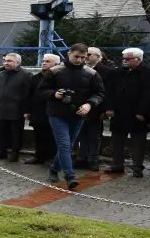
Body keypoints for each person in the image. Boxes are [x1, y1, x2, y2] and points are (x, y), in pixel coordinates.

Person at [36, 43, 105, 190]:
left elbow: (99, 93)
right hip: (57, 113)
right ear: (69, 54)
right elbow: (41, 91)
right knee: (64, 145)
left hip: (78, 114)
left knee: (67, 146)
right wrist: (54, 94)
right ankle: (70, 176)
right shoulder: (55, 71)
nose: (79, 60)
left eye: (83, 57)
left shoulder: (91, 73)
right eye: (76, 57)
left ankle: (54, 168)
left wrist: (89, 105)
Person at [105, 48, 150, 177]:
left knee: (138, 141)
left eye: (127, 59)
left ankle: (137, 167)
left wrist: (142, 111)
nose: (124, 61)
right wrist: (109, 108)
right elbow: (109, 91)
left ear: (138, 59)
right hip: (118, 113)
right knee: (117, 139)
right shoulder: (116, 73)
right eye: (123, 58)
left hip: (138, 114)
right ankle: (117, 165)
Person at [74, 47, 115, 171]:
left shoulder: (107, 71)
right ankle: (81, 157)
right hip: (80, 107)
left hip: (97, 108)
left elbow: (109, 91)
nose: (87, 56)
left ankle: (93, 159)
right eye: (86, 54)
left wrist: (105, 109)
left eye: (90, 54)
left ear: (98, 57)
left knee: (94, 135)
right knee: (80, 134)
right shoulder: (79, 68)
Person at [0, 53, 32, 162]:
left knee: (16, 133)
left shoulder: (26, 75)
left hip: (16, 109)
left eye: (10, 61)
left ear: (18, 62)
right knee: (0, 132)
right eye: (5, 61)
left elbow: (28, 94)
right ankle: (1, 152)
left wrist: (27, 110)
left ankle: (15, 153)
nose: (6, 63)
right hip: (1, 108)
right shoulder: (0, 74)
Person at [24, 54, 60, 165]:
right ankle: (39, 156)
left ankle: (52, 157)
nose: (44, 63)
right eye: (43, 61)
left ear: (56, 64)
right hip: (38, 112)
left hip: (53, 111)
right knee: (39, 135)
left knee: (52, 136)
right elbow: (29, 95)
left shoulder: (59, 77)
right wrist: (27, 110)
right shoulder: (35, 78)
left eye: (47, 61)